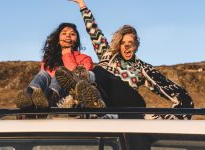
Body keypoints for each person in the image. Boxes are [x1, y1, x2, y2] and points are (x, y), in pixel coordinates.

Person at [60, 0, 194, 119]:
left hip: (129, 105)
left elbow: (176, 92)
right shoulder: (107, 54)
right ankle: (89, 105)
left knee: (98, 71)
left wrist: (165, 118)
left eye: (131, 43)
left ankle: (83, 79)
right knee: (99, 72)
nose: (127, 46)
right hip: (107, 104)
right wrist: (81, 4)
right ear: (119, 44)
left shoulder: (142, 67)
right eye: (123, 43)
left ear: (136, 45)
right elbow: (93, 30)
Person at [16, 22, 97, 110]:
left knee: (60, 74)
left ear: (77, 40)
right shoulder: (49, 59)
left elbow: (80, 79)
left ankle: (50, 99)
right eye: (64, 33)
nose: (68, 36)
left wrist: (67, 54)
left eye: (72, 34)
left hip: (69, 96)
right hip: (44, 94)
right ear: (58, 39)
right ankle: (28, 98)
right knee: (42, 74)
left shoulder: (85, 58)